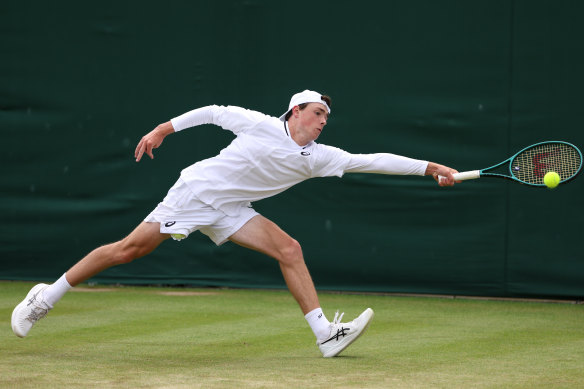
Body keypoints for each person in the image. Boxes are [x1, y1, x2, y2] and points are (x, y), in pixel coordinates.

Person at [11, 90, 458, 357]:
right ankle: (45, 297)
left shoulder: (322, 158)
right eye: (317, 113)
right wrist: (164, 129)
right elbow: (211, 110)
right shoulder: (260, 125)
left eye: (326, 116)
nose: (323, 121)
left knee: (290, 249)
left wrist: (430, 166)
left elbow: (374, 160)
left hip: (232, 208)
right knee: (129, 250)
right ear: (295, 111)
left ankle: (325, 335)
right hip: (197, 193)